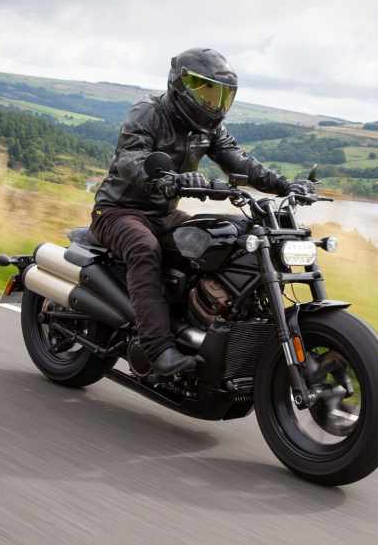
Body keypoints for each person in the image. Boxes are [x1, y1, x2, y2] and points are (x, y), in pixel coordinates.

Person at [90, 47, 313, 375]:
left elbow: (240, 161)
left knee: (234, 235)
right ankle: (157, 348)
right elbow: (130, 160)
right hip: (117, 212)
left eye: (222, 96)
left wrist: (285, 185)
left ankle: (209, 321)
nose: (214, 104)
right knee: (144, 247)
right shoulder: (148, 113)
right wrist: (169, 180)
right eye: (207, 92)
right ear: (181, 86)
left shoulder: (208, 129)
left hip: (163, 215)